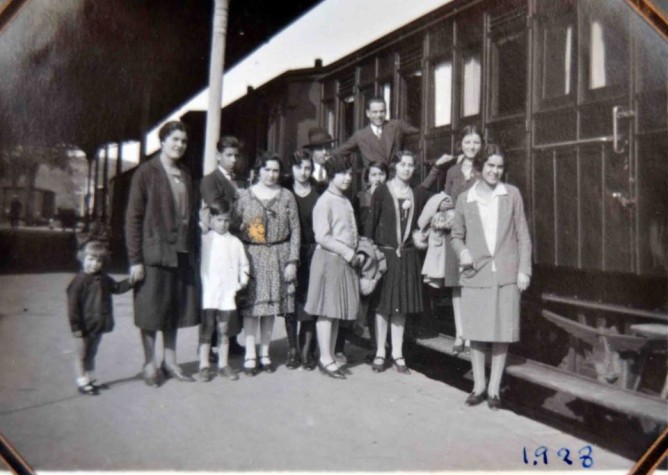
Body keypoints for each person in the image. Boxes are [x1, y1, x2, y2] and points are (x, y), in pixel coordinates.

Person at [450, 144, 532, 410]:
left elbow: (522, 235)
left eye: (499, 167)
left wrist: (524, 270)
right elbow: (456, 235)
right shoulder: (465, 198)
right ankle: (479, 386)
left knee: (501, 332)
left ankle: (495, 389)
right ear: (480, 167)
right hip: (476, 272)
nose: (495, 171)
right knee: (476, 332)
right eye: (490, 166)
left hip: (506, 272)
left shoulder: (512, 195)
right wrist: (462, 252)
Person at [125, 120, 199, 387]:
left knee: (173, 308)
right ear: (163, 141)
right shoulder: (146, 173)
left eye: (183, 141)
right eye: (175, 139)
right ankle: (149, 363)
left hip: (179, 252)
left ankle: (170, 361)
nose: (179, 145)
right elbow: (133, 218)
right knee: (150, 310)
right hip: (154, 253)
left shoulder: (186, 174)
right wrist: (135, 260)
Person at [364, 151, 429, 374]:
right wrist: (368, 258)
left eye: (411, 165)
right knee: (383, 306)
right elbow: (370, 225)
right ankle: (381, 351)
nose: (407, 169)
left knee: (400, 308)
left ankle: (397, 353)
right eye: (403, 164)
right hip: (385, 256)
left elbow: (428, 216)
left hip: (407, 256)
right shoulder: (382, 191)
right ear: (395, 167)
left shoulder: (417, 194)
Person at [420, 125, 483, 354]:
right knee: (457, 286)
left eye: (476, 142)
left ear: (481, 145)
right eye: (468, 142)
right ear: (461, 145)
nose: (472, 147)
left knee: (473, 284)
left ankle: (473, 334)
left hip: (477, 234)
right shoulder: (453, 172)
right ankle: (460, 334)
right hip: (455, 234)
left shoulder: (483, 169)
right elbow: (446, 198)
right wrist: (444, 205)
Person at [236, 152, 300, 375]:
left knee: (270, 308)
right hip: (252, 256)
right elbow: (234, 227)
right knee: (252, 308)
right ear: (258, 170)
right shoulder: (245, 196)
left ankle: (265, 353)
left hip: (278, 257)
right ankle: (250, 354)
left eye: (275, 170)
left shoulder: (286, 196)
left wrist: (292, 260)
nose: (271, 175)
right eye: (267, 170)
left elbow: (296, 231)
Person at [305, 154, 362, 379]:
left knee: (336, 312)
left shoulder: (344, 200)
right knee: (327, 313)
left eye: (349, 173)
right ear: (331, 176)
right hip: (329, 260)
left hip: (342, 262)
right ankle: (325, 358)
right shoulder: (325, 201)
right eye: (342, 173)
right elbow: (322, 236)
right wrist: (348, 252)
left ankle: (329, 355)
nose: (347, 178)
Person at [200, 135, 246, 359]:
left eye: (236, 155)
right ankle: (207, 347)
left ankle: (231, 340)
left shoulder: (238, 180)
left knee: (232, 292)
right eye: (228, 155)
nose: (233, 160)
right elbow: (219, 208)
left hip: (233, 242)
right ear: (218, 155)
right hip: (217, 243)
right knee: (214, 294)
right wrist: (241, 204)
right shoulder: (210, 180)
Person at [66, 240, 132, 395]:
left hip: (98, 324)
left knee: (92, 352)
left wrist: (132, 281)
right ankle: (82, 382)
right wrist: (75, 327)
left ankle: (91, 378)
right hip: (83, 326)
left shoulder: (103, 278)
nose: (94, 264)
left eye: (99, 261)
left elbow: (116, 288)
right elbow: (73, 307)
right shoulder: (78, 282)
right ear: (82, 258)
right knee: (82, 354)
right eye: (90, 259)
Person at [198, 199, 249, 382]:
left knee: (224, 328)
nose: (223, 224)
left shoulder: (235, 242)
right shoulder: (205, 240)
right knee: (207, 328)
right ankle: (204, 364)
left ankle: (223, 364)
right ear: (211, 220)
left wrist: (241, 282)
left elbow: (244, 264)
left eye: (226, 220)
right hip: (209, 292)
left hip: (227, 293)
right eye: (219, 220)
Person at [284, 149, 321, 370]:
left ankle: (307, 350)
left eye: (308, 168)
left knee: (309, 301)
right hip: (289, 253)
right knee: (290, 302)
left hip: (312, 252)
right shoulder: (284, 189)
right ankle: (292, 350)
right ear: (292, 168)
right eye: (300, 168)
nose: (304, 172)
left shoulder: (318, 191)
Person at [333, 97, 418, 166]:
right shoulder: (360, 135)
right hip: (372, 180)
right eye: (375, 112)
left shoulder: (396, 125)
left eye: (382, 111)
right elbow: (338, 152)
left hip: (394, 179)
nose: (379, 115)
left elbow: (419, 134)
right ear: (368, 113)